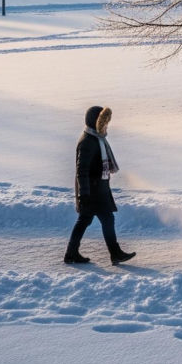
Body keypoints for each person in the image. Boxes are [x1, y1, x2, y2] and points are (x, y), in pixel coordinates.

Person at [64, 105, 136, 265]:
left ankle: (73, 253)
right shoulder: (87, 142)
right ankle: (112, 253)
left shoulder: (97, 139)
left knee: (95, 220)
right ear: (95, 123)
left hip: (98, 188)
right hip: (92, 191)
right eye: (104, 123)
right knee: (93, 220)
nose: (106, 126)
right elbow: (81, 170)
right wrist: (84, 194)